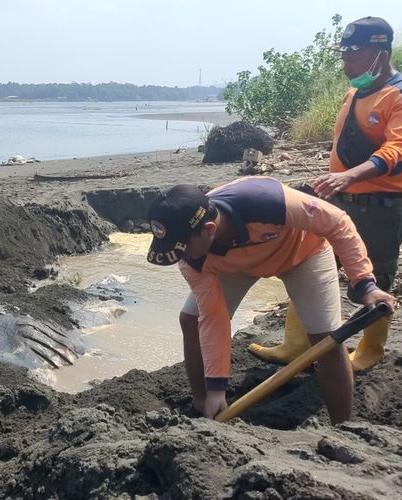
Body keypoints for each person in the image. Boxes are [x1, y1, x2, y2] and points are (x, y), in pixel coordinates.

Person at [146, 177, 395, 424]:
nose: (182, 257)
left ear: (209, 230)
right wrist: (216, 388)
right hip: (235, 265)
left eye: (183, 247)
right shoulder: (192, 259)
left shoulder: (265, 201)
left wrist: (365, 284)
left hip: (302, 253)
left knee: (326, 338)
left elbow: (337, 222)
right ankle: (203, 406)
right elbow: (214, 319)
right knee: (191, 319)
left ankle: (343, 426)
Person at [248, 16, 402, 372]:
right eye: (343, 53)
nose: (346, 62)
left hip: (380, 205)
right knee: (309, 264)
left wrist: (350, 175)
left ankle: (370, 350)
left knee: (375, 276)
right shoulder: (354, 93)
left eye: (353, 53)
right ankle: (295, 343)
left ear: (379, 53)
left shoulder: (396, 94)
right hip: (339, 198)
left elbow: (396, 150)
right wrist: (336, 177)